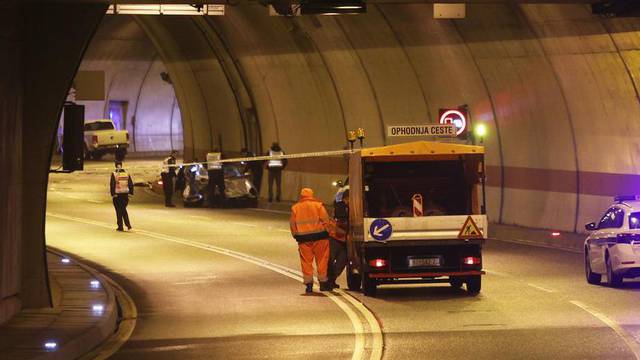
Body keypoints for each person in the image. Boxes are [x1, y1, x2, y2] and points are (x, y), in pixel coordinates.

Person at [290, 188, 332, 294]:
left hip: (304, 239)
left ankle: (309, 284)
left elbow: (292, 224)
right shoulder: (318, 205)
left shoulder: (295, 208)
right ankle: (323, 283)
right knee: (322, 259)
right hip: (320, 237)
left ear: (301, 196)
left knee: (306, 262)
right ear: (312, 195)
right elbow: (326, 220)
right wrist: (328, 232)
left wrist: (296, 235)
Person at [328, 189, 349, 289]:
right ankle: (326, 281)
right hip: (335, 237)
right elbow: (341, 220)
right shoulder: (340, 206)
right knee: (331, 260)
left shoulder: (347, 207)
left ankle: (331, 280)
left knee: (342, 261)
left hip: (344, 239)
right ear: (346, 198)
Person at [110, 161, 134, 231]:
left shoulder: (114, 174)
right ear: (121, 165)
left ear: (115, 166)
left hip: (117, 195)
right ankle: (128, 224)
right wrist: (131, 193)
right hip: (125, 195)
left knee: (118, 211)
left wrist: (113, 194)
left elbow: (112, 184)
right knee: (123, 209)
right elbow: (130, 183)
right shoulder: (126, 174)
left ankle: (121, 226)